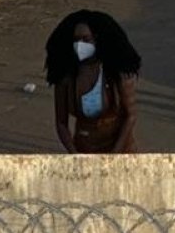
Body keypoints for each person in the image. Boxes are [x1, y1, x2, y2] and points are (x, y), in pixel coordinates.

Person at [46, 10, 141, 154]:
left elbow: (130, 116)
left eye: (85, 39)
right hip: (85, 147)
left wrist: (113, 157)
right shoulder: (66, 77)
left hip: (120, 148)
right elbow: (61, 123)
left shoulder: (115, 73)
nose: (80, 45)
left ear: (97, 39)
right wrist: (76, 156)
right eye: (76, 40)